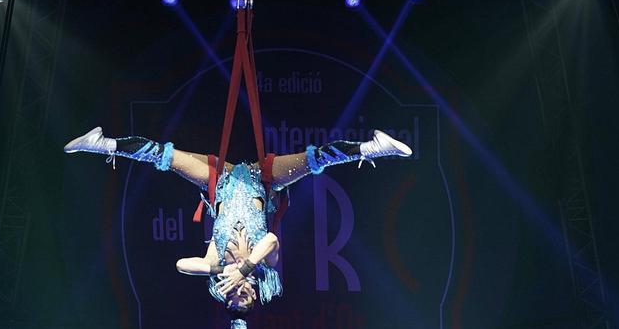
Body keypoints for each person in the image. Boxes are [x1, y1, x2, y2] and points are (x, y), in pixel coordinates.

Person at [64, 127, 412, 312]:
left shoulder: (217, 262)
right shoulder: (266, 267)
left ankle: (105, 144)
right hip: (264, 180)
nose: (236, 292)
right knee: (315, 160)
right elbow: (272, 241)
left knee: (164, 157)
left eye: (231, 297)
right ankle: (370, 147)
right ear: (256, 292)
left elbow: (184, 265)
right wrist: (246, 267)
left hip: (222, 182)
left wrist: (219, 270)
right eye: (244, 296)